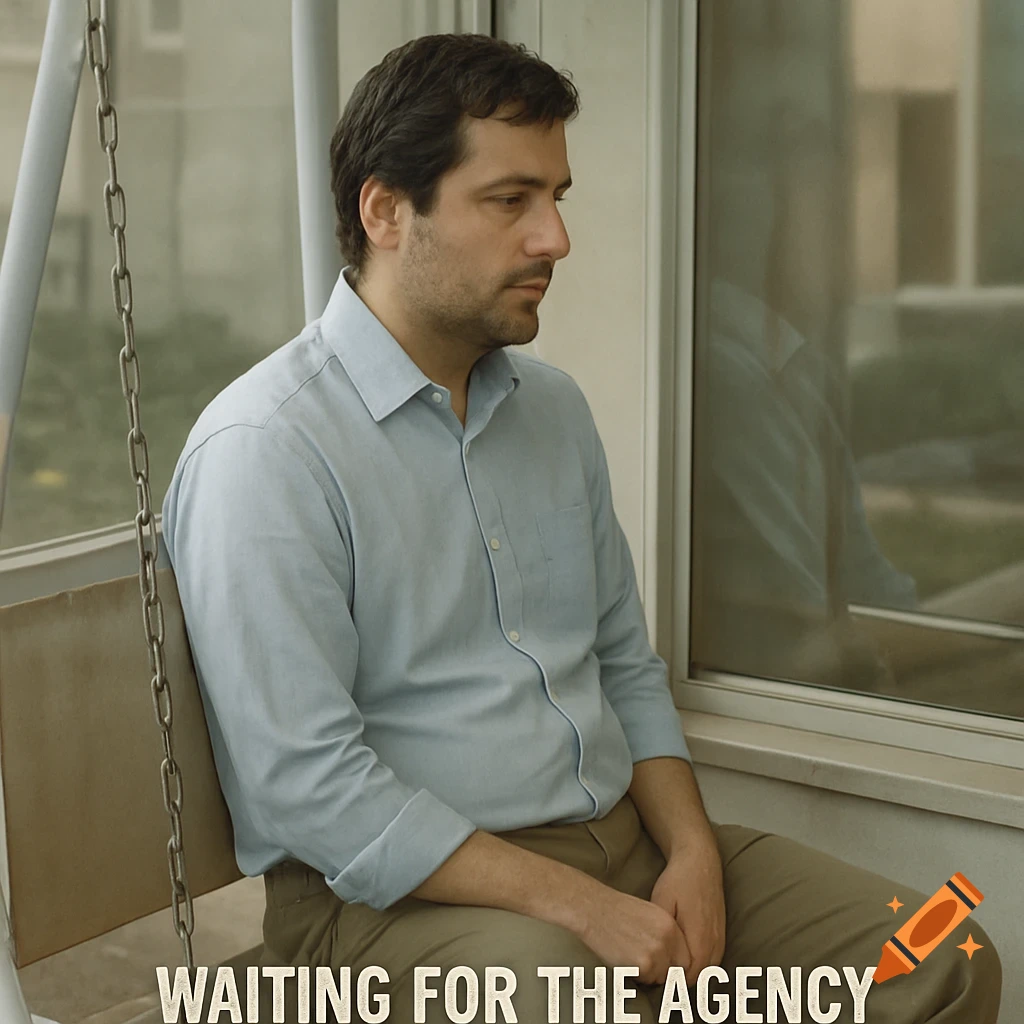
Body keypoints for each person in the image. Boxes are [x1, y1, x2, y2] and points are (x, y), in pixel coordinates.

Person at [162, 33, 1001, 1023]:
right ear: (385, 211)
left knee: (943, 950)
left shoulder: (552, 410)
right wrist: (581, 907)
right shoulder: (266, 448)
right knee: (574, 1002)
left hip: (626, 847)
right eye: (509, 200)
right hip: (387, 909)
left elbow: (624, 667)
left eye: (555, 197)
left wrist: (692, 853)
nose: (554, 238)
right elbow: (310, 788)